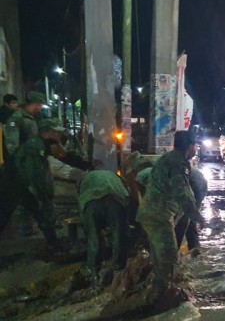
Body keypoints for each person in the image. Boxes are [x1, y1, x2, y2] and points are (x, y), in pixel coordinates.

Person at [0, 117, 91, 249]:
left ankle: (53, 243)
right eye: (57, 132)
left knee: (43, 212)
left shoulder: (41, 145)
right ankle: (53, 243)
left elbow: (64, 158)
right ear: (47, 132)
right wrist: (41, 195)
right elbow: (33, 174)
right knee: (5, 215)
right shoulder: (36, 147)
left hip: (20, 185)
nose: (59, 136)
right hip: (13, 185)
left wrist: (86, 164)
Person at [136, 131, 203, 297]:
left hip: (149, 214)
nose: (195, 149)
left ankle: (151, 293)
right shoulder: (178, 164)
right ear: (190, 147)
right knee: (169, 261)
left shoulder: (167, 158)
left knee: (158, 259)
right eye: (195, 146)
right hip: (159, 217)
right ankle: (163, 299)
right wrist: (197, 216)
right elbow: (183, 193)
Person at [78, 170, 131, 283]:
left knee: (93, 237)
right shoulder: (114, 176)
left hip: (91, 201)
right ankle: (117, 269)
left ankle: (93, 272)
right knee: (118, 235)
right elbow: (126, 196)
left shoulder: (86, 178)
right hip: (114, 199)